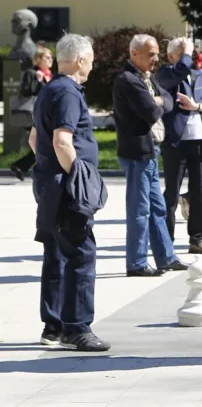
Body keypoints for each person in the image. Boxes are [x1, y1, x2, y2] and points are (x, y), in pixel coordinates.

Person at [28, 34, 110, 351]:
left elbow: (36, 140)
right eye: (90, 60)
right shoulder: (68, 93)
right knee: (80, 253)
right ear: (79, 61)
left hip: (49, 183)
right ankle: (77, 328)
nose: (91, 65)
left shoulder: (49, 89)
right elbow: (62, 141)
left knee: (57, 252)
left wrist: (49, 170)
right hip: (65, 188)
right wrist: (79, 179)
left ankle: (55, 324)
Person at [113, 35, 186, 278]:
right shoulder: (128, 80)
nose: (156, 58)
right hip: (137, 154)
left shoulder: (147, 77)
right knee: (140, 210)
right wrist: (158, 101)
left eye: (156, 53)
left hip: (150, 152)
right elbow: (153, 111)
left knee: (157, 208)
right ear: (135, 54)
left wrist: (159, 99)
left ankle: (166, 256)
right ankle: (136, 263)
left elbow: (168, 99)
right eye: (151, 54)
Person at [155, 37, 202, 255]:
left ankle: (197, 238)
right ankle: (167, 240)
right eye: (185, 52)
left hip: (200, 142)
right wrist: (186, 51)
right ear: (172, 56)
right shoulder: (166, 74)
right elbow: (180, 71)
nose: (190, 56)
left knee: (198, 193)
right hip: (176, 142)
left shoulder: (200, 75)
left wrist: (198, 106)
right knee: (172, 194)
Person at [9, 45, 53, 180]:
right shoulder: (32, 73)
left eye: (51, 57)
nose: (51, 59)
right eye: (47, 57)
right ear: (39, 59)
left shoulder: (50, 74)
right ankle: (24, 166)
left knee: (44, 143)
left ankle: (20, 166)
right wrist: (38, 80)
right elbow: (26, 92)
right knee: (46, 143)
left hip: (47, 114)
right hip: (34, 114)